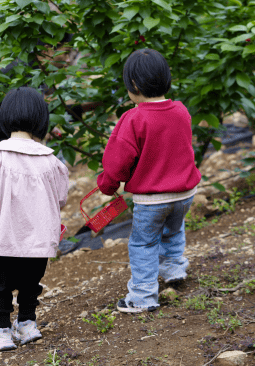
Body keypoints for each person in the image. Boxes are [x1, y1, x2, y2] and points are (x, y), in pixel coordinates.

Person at [0, 41, 103, 285]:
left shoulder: (37, 74)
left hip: (10, 138)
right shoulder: (23, 72)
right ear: (48, 48)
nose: (68, 59)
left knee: (9, 199)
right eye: (66, 52)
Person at [95, 48, 201, 313]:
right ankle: (174, 269)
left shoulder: (133, 119)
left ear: (133, 84)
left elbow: (117, 161)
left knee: (143, 243)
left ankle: (142, 297)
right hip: (184, 193)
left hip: (152, 199)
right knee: (174, 230)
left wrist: (107, 185)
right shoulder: (180, 110)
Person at [0, 87, 70, 351]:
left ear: (4, 118)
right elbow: (61, 196)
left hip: (6, 240)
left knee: (0, 285)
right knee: (31, 284)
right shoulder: (50, 159)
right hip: (39, 243)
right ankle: (27, 324)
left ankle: (1, 329)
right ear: (41, 120)